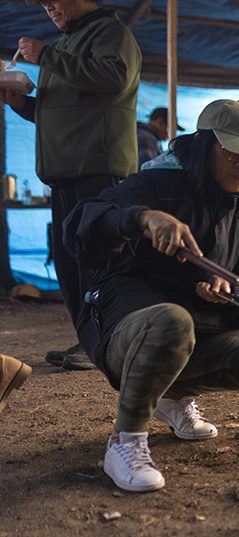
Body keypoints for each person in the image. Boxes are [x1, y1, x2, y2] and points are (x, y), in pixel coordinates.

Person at [62, 99, 239, 493]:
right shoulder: (155, 184)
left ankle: (173, 397)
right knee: (171, 322)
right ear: (204, 146)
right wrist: (143, 218)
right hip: (126, 325)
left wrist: (232, 293)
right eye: (234, 153)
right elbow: (83, 223)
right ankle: (124, 442)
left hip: (198, 330)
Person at [0, 0, 141, 371]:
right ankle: (91, 341)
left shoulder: (111, 34)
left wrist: (46, 56)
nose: (49, 9)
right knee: (70, 260)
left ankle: (109, 339)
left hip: (97, 167)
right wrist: (21, 104)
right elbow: (63, 110)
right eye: (44, 5)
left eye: (53, 0)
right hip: (65, 171)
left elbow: (113, 80)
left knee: (98, 258)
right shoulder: (66, 45)